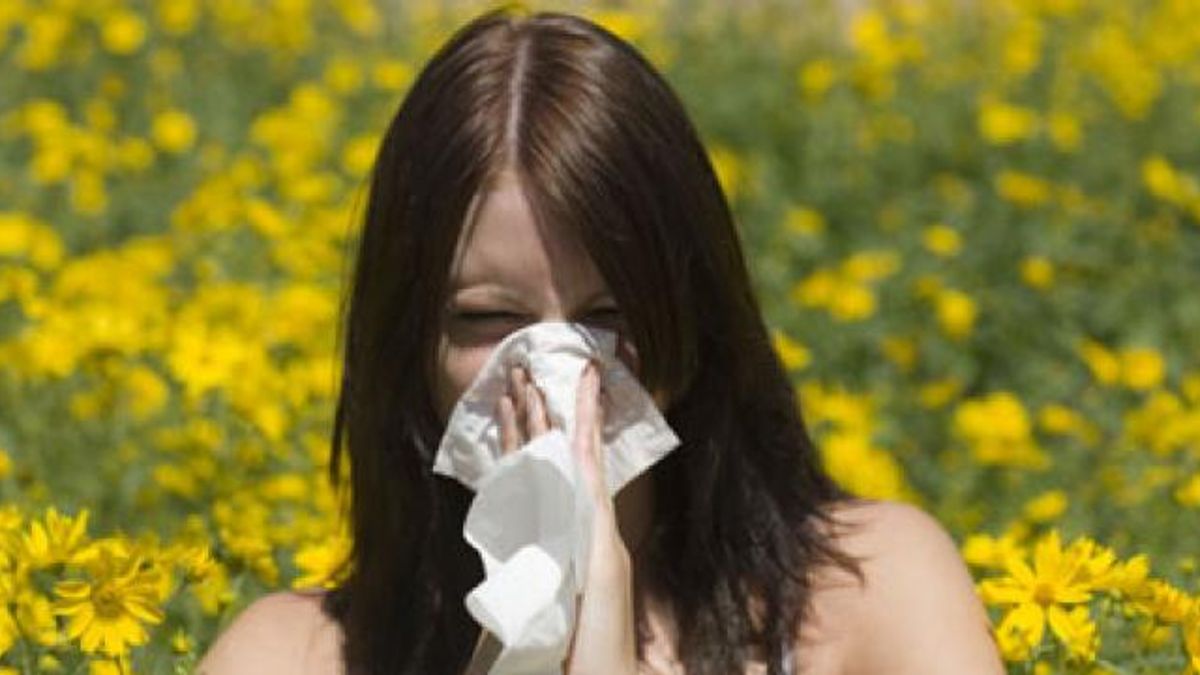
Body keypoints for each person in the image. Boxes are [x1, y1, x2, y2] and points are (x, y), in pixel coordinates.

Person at [198, 5, 1005, 674]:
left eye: (609, 317)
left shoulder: (874, 598)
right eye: (489, 320)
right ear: (408, 341)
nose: (560, 373)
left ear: (692, 316)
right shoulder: (291, 656)